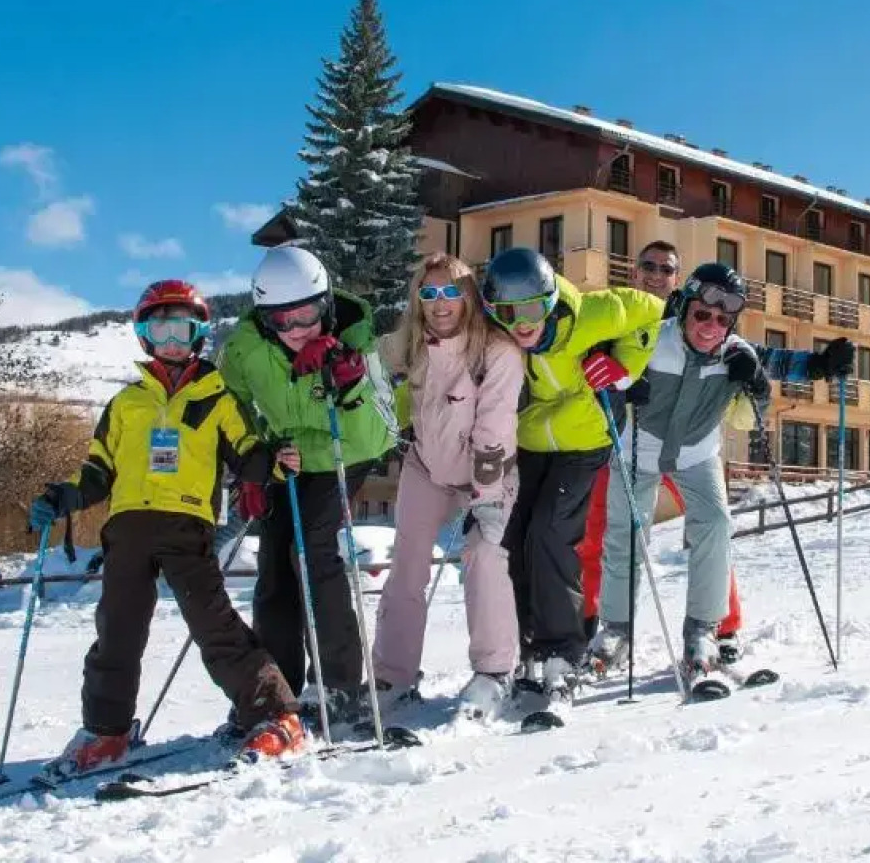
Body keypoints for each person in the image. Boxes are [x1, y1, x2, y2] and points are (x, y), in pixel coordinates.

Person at [31, 279, 306, 774]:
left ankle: (276, 717)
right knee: (116, 631)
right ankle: (107, 731)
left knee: (213, 625)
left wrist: (275, 463)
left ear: (199, 333)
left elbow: (246, 452)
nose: (172, 340)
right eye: (161, 330)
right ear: (144, 336)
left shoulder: (216, 397)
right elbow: (97, 471)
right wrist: (62, 498)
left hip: (187, 527)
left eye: (182, 328)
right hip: (128, 530)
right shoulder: (125, 404)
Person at [587, 263, 855, 688]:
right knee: (625, 534)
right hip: (640, 449)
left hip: (697, 454)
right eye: (701, 314)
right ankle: (616, 631)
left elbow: (781, 365)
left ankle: (703, 631)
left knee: (714, 525)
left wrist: (815, 367)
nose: (710, 326)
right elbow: (596, 349)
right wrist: (615, 374)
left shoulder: (735, 353)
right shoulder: (651, 338)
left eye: (721, 319)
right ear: (684, 308)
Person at [480, 246, 665, 722]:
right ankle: (526, 646)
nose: (521, 324)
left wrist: (624, 369)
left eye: (531, 310)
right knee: (513, 538)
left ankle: (564, 651)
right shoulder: (499, 334)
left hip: (586, 437)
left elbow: (652, 310)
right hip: (532, 439)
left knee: (550, 532)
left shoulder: (591, 313)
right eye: (507, 313)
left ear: (549, 300)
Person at [216, 246, 399, 729]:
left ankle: (338, 685)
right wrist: (254, 462)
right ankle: (277, 689)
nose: (298, 329)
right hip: (286, 461)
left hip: (345, 454)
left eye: (308, 315)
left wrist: (350, 385)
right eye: (283, 320)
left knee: (314, 551)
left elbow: (382, 432)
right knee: (274, 568)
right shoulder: (244, 350)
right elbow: (232, 411)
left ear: (327, 303)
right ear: (265, 318)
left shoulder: (356, 340)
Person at [371, 254, 525, 720]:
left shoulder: (498, 350)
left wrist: (485, 496)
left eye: (451, 292)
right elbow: (369, 360)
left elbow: (494, 427)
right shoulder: (412, 342)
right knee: (407, 564)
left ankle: (494, 671)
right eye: (430, 293)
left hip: (489, 473)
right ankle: (392, 675)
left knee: (483, 555)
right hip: (427, 468)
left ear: (468, 296)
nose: (441, 303)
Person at [577, 241, 748, 661]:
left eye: (666, 269)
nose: (656, 275)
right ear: (635, 272)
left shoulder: (695, 319)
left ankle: (722, 626)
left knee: (711, 526)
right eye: (648, 266)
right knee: (604, 530)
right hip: (625, 440)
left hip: (687, 445)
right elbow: (587, 352)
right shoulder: (620, 314)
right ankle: (598, 621)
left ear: (678, 279)